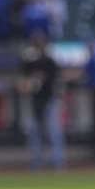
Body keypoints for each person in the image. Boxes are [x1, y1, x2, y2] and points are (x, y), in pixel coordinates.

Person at [19, 31, 65, 171]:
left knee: (54, 130)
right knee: (34, 132)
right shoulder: (30, 61)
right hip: (35, 101)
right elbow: (24, 79)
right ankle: (36, 161)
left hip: (49, 99)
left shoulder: (49, 61)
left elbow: (54, 78)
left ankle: (57, 162)